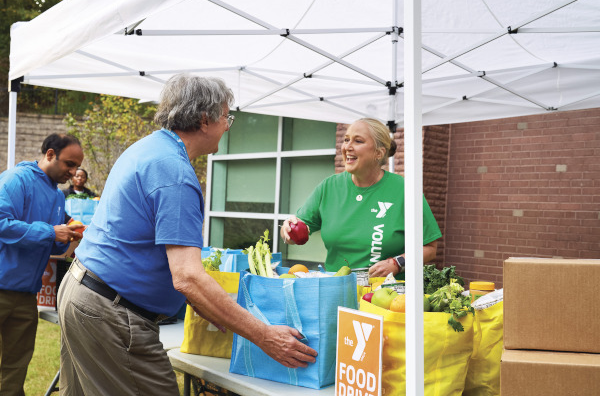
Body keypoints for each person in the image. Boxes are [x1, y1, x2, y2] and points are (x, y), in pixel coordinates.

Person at [57, 73, 317, 396]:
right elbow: (188, 277)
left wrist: (215, 307)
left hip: (81, 290)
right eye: (227, 117)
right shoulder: (176, 173)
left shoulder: (149, 148)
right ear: (205, 120)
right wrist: (265, 336)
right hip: (110, 310)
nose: (228, 126)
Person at [280, 118, 442, 278]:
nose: (347, 147)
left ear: (379, 152)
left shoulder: (404, 190)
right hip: (336, 291)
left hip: (387, 297)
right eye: (346, 140)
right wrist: (287, 230)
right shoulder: (329, 187)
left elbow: (429, 247)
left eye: (358, 141)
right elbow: (296, 230)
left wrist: (397, 263)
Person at [0, 134, 84, 396]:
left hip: (27, 296)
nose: (73, 173)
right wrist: (50, 232)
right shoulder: (16, 179)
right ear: (49, 154)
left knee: (15, 370)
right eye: (69, 164)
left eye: (76, 167)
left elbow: (51, 244)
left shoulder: (59, 197)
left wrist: (67, 237)